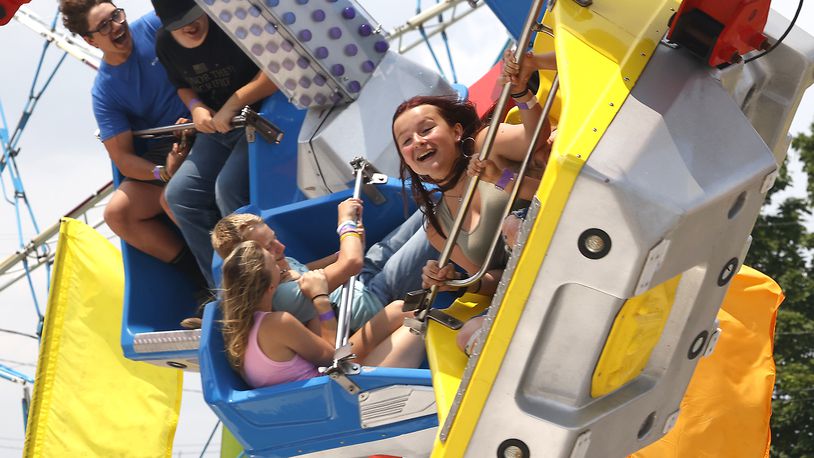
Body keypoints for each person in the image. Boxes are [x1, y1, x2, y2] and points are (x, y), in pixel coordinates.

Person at [391, 50, 555, 354]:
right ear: (407, 161)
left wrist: (519, 90)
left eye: (426, 129)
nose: (419, 142)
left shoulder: (485, 145)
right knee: (466, 335)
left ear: (455, 131)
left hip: (560, 237)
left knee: (514, 225)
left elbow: (537, 134)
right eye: (407, 141)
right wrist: (457, 283)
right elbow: (495, 278)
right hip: (527, 287)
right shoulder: (437, 228)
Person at [59, 0, 207, 298]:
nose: (116, 25)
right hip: (167, 149)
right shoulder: (105, 90)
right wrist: (163, 171)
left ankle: (229, 277)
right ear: (90, 40)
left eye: (116, 15)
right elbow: (123, 158)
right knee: (118, 213)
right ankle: (204, 282)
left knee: (172, 198)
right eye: (104, 25)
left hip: (203, 123)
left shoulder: (153, 25)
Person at [151, 0, 279, 288]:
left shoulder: (232, 22)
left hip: (262, 120)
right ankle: (226, 290)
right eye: (179, 24)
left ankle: (264, 281)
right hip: (218, 130)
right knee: (180, 195)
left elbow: (275, 72)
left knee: (228, 187)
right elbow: (181, 85)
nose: (190, 26)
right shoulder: (164, 44)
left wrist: (234, 103)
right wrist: (196, 107)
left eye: (194, 16)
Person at [220, 241, 425, 388]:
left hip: (332, 379)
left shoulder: (239, 331)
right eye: (274, 264)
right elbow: (336, 358)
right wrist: (320, 299)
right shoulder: (276, 323)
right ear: (271, 285)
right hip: (344, 389)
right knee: (419, 321)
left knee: (400, 308)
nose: (280, 264)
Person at [211, 198, 436, 332]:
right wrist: (345, 224)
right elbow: (351, 264)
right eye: (269, 248)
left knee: (431, 208)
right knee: (436, 228)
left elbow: (305, 268)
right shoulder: (280, 295)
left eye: (274, 238)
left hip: (361, 278)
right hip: (378, 298)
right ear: (251, 263)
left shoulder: (279, 264)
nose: (281, 248)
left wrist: (343, 250)